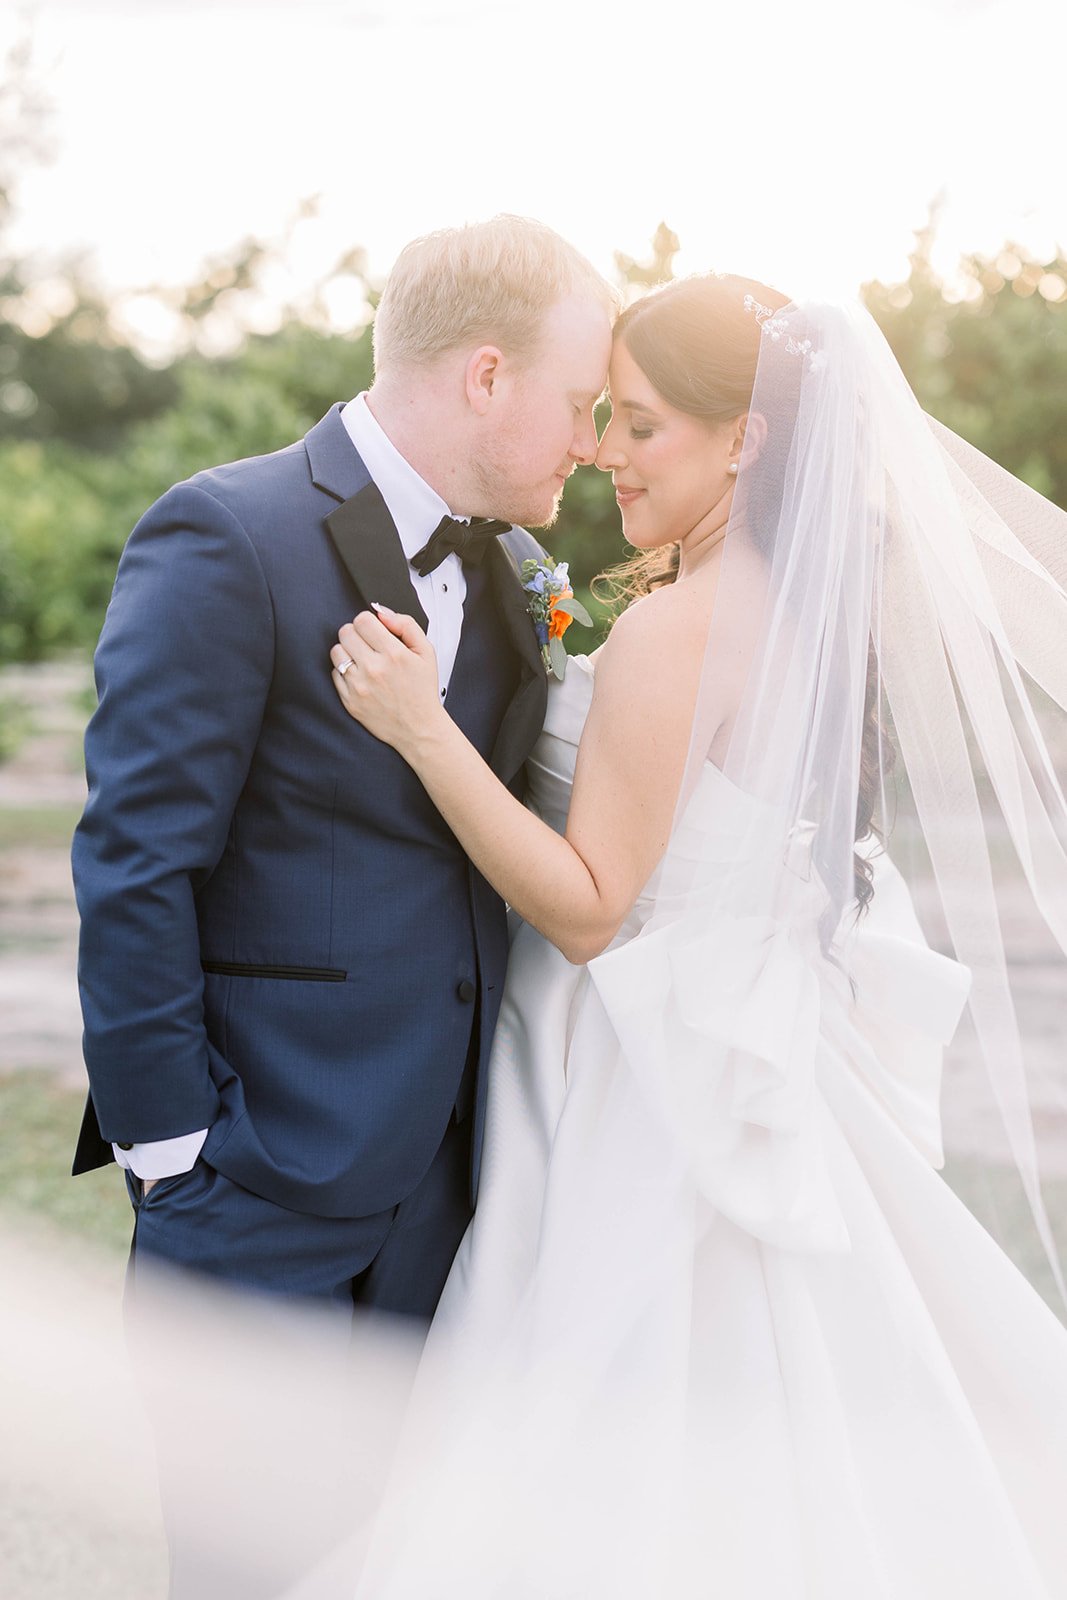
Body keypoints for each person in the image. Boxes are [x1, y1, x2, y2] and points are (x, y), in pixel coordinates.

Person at [331, 275, 1067, 1598]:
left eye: (646, 424)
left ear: (750, 440)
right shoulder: (779, 602)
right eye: (606, 415)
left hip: (646, 1083)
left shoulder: (677, 630)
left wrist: (420, 731)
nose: (606, 449)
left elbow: (593, 908)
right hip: (741, 1050)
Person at [69, 214, 614, 1596]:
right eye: (583, 399)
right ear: (487, 377)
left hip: (451, 1196)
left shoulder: (509, 573)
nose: (595, 440)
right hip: (255, 1195)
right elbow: (136, 861)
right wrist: (173, 1155)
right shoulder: (227, 534)